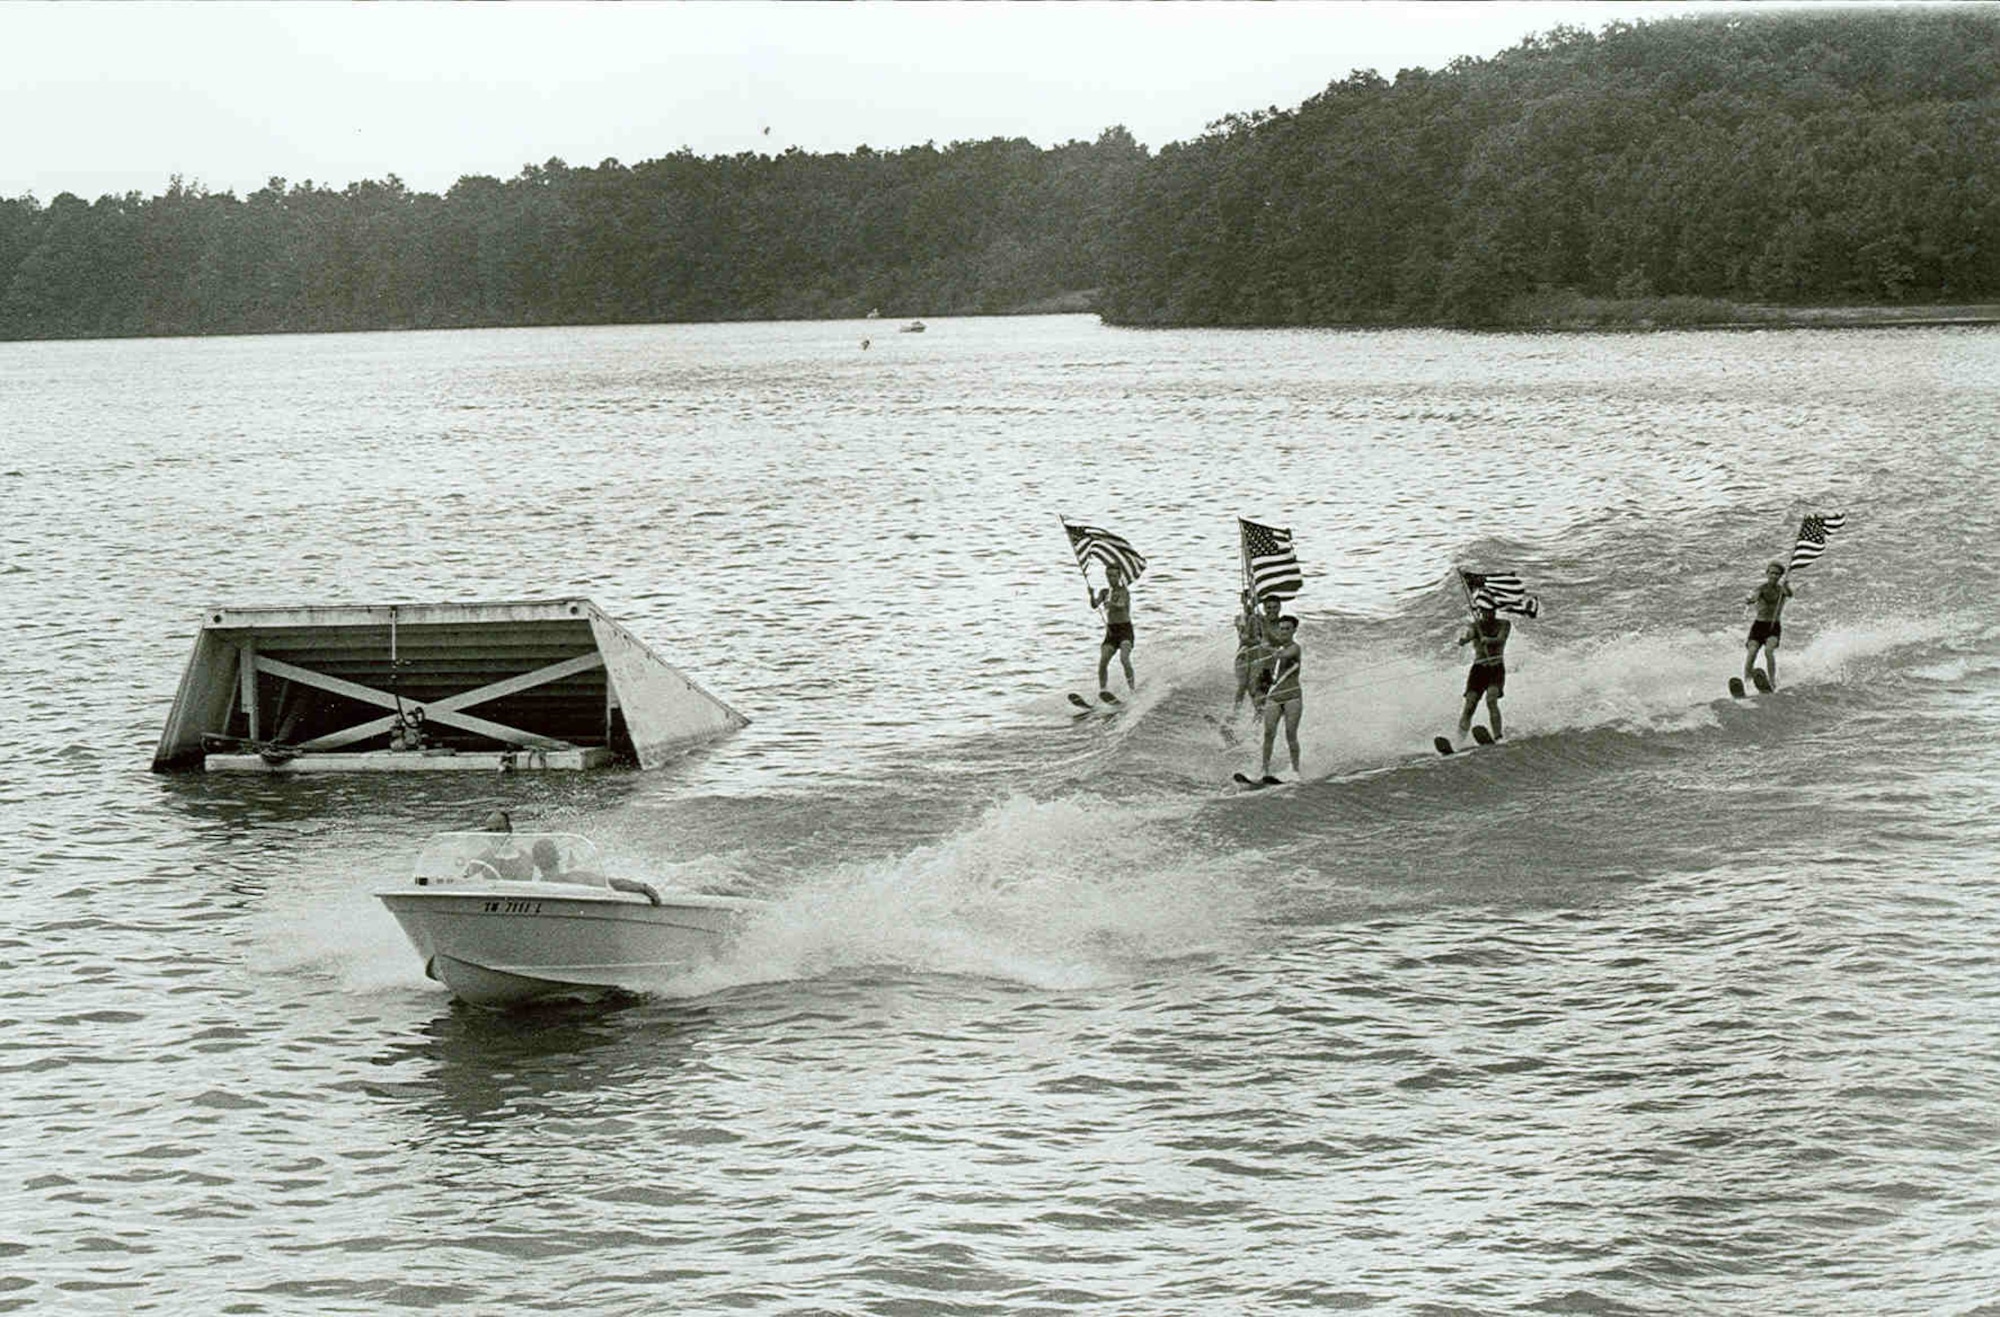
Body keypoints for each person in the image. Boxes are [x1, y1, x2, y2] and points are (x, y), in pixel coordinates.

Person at [1252, 615, 1304, 778]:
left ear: (1294, 630)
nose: (1284, 632)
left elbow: (1284, 655)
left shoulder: (1295, 648)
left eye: (1288, 629)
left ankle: (1295, 770)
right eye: (1281, 629)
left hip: (1292, 697)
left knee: (1290, 733)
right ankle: (1264, 769)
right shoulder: (1278, 648)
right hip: (1274, 697)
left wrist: (1268, 647)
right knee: (1269, 733)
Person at [1457, 592, 1511, 741]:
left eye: (1492, 611)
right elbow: (1469, 635)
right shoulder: (1476, 625)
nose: (1489, 614)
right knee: (1469, 706)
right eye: (1486, 611)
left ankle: (1498, 737)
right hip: (1479, 670)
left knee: (1491, 700)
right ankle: (1459, 740)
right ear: (1480, 612)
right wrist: (1465, 639)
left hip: (1496, 668)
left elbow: (1501, 639)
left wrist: (1489, 640)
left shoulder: (1504, 624)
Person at [1743, 561, 1793, 690]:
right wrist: (1750, 600)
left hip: (1773, 626)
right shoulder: (1761, 589)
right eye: (1772, 573)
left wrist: (1787, 586)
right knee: (1752, 651)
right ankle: (1747, 680)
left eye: (1777, 574)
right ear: (1767, 573)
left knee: (1769, 651)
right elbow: (1754, 597)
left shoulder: (1782, 590)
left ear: (1780, 576)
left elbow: (1790, 594)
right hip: (1759, 626)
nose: (1774, 576)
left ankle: (1772, 681)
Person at [1092, 564, 1137, 696]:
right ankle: (1103, 691)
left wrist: (1112, 604)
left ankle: (1132, 690)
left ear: (1119, 577)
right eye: (1108, 575)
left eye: (1113, 576)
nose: (1110, 578)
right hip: (1111, 631)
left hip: (1125, 630)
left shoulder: (1124, 592)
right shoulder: (1104, 592)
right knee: (1103, 661)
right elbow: (1095, 605)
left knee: (1124, 658)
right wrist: (1091, 595)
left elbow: (1121, 605)